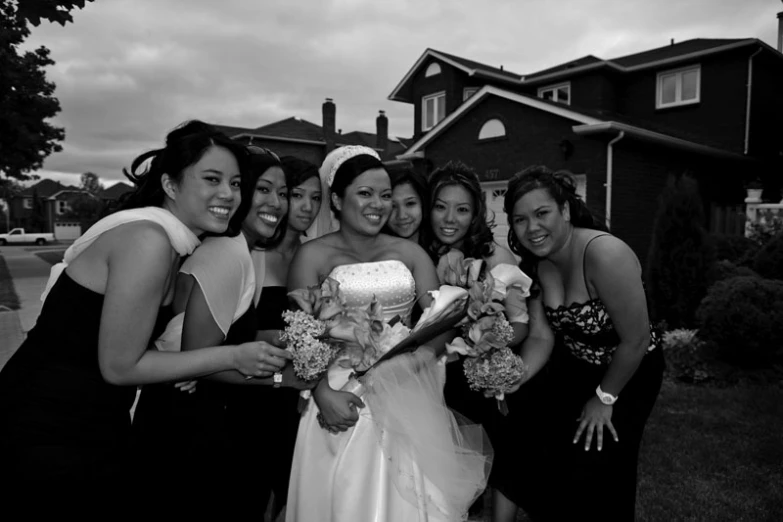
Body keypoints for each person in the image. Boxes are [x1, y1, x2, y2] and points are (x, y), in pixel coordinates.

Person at [0, 121, 287, 493]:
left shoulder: (171, 242)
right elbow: (120, 365)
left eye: (234, 184)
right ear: (170, 185)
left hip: (93, 415)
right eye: (212, 179)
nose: (229, 194)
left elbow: (122, 339)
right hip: (49, 419)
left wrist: (174, 366)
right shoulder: (148, 241)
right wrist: (231, 356)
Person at [285, 146, 491, 522]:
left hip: (408, 390)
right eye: (365, 193)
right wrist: (322, 393)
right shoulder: (312, 256)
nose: (378, 204)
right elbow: (301, 335)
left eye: (385, 196)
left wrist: (416, 360)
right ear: (336, 199)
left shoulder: (410, 253)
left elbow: (441, 321)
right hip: (337, 394)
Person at [131, 145, 299, 502]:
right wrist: (285, 379)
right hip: (183, 422)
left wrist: (296, 338)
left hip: (197, 413)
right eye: (263, 189)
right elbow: (199, 360)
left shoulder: (241, 248)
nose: (276, 203)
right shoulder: (228, 253)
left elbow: (228, 334)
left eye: (282, 193)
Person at [500, 165, 664, 521]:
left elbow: (636, 340)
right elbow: (542, 336)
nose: (532, 228)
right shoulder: (536, 265)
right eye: (520, 220)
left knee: (597, 460)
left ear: (565, 210)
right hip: (575, 366)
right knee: (543, 446)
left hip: (630, 370)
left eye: (541, 213)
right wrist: (514, 378)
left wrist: (604, 398)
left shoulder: (606, 254)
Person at [226, 154, 323, 518]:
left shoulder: (317, 255)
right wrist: (292, 338)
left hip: (300, 392)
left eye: (316, 198)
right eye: (297, 195)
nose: (307, 206)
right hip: (250, 390)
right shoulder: (250, 251)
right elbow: (231, 332)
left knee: (295, 489)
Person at [383, 167, 429, 246]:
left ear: (423, 203)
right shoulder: (374, 254)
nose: (402, 216)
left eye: (410, 203)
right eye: (393, 206)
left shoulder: (445, 253)